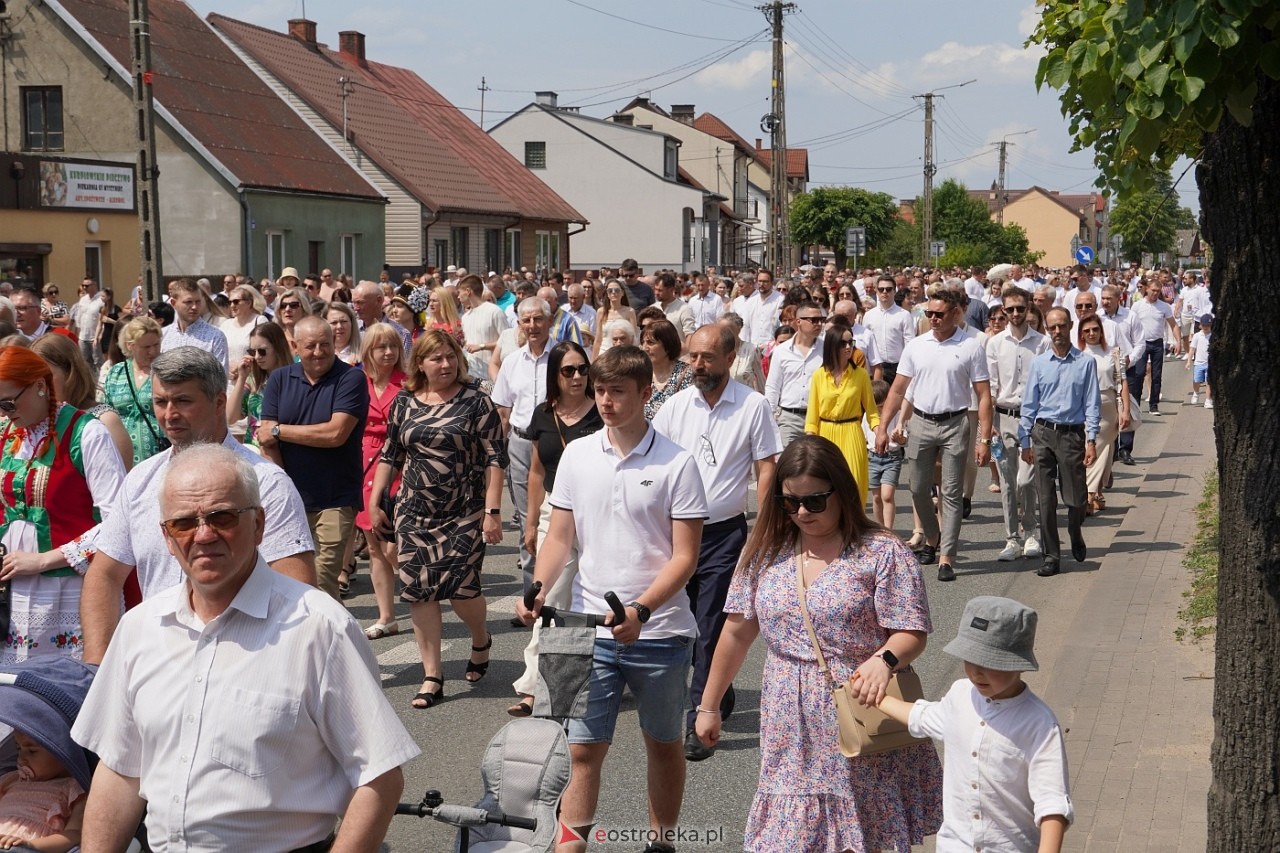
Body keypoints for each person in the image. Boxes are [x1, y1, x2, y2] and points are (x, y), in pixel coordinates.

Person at [72, 443, 419, 853]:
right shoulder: (139, 628)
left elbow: (380, 778)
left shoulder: (319, 628)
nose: (203, 535)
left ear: (259, 524)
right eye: (183, 523)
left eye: (222, 517)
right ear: (166, 537)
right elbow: (120, 773)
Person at [695, 435, 943, 852]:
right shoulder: (764, 553)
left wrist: (884, 660)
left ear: (842, 491)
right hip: (787, 721)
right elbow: (736, 632)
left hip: (860, 710)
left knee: (859, 835)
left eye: (814, 500)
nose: (802, 512)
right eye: (790, 503)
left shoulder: (882, 552)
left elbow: (911, 632)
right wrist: (709, 705)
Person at [516, 345, 707, 853]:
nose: (605, 401)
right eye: (599, 390)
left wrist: (643, 609)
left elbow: (685, 557)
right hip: (586, 628)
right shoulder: (578, 455)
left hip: (661, 632)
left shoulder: (678, 463)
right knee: (580, 749)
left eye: (617, 391)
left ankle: (661, 842)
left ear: (646, 394)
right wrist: (537, 587)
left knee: (663, 745)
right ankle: (570, 847)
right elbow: (560, 537)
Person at [80, 346, 316, 662]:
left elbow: (296, 590)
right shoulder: (141, 481)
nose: (169, 414)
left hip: (244, 659)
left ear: (220, 402)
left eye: (183, 401)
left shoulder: (267, 483)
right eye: (161, 402)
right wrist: (97, 665)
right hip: (158, 662)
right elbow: (105, 575)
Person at [652, 324, 781, 763]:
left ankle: (698, 717)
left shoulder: (753, 406)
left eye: (707, 357)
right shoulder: (673, 407)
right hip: (674, 533)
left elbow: (767, 468)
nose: (697, 366)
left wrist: (764, 531)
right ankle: (713, 690)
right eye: (692, 357)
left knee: (711, 627)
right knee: (673, 623)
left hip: (725, 534)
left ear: (731, 357)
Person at [368, 330, 507, 709]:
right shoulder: (405, 402)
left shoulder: (477, 402)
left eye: (450, 357)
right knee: (418, 591)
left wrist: (493, 512)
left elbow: (496, 458)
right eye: (436, 358)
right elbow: (390, 453)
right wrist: (377, 499)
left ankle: (480, 636)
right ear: (420, 364)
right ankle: (433, 674)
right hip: (414, 510)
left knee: (463, 590)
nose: (444, 364)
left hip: (464, 509)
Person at [873, 596, 1073, 853]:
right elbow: (922, 717)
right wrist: (877, 697)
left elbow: (1052, 803)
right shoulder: (960, 694)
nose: (977, 672)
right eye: (970, 660)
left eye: (990, 663)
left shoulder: (1039, 723)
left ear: (1018, 664)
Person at [0, 346, 125, 665]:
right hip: (11, 592)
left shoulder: (88, 433)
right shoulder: (7, 434)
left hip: (69, 589)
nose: (5, 412)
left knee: (68, 684)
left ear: (40, 386)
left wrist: (43, 560)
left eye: (8, 402)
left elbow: (120, 521)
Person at [509, 341, 603, 717]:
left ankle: (607, 677)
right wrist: (530, 523)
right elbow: (535, 471)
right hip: (554, 513)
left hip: (598, 515)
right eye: (569, 370)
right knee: (545, 598)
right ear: (555, 376)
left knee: (599, 598)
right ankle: (533, 687)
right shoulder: (543, 414)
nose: (578, 376)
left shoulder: (603, 412)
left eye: (583, 369)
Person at [876, 289, 992, 581]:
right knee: (917, 488)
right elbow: (899, 389)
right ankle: (931, 536)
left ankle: (946, 558)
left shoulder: (971, 346)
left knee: (951, 493)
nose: (933, 319)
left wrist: (984, 438)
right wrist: (883, 427)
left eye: (939, 314)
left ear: (955, 313)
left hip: (955, 423)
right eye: (929, 313)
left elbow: (983, 395)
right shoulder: (917, 345)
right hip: (922, 423)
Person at [258, 316, 368, 600]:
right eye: (311, 346)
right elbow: (266, 440)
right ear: (295, 345)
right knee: (292, 578)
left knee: (321, 577)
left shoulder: (351, 378)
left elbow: (335, 434)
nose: (319, 352)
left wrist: (281, 430)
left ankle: (332, 639)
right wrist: (282, 488)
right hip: (291, 498)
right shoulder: (280, 379)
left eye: (325, 345)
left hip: (337, 496)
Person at [1018, 307, 1101, 577]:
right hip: (1042, 433)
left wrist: (1091, 439)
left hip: (1071, 434)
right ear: (1046, 329)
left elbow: (1092, 403)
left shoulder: (1085, 363)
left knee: (1076, 498)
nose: (1057, 332)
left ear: (1069, 327)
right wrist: (1025, 439)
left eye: (1062, 326)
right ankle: (1051, 555)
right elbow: (1029, 404)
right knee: (1045, 498)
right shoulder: (1039, 364)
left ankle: (1075, 530)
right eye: (1052, 327)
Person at [491, 296, 554, 599]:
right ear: (518, 324)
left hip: (556, 446)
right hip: (520, 444)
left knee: (558, 516)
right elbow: (503, 412)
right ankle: (532, 596)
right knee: (526, 518)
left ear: (549, 321)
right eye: (526, 320)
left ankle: (557, 594)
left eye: (538, 319)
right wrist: (496, 455)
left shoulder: (565, 358)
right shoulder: (512, 362)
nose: (532, 326)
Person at [986, 285, 1050, 563]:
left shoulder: (1042, 343)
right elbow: (989, 387)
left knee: (1026, 480)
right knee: (1007, 481)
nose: (1014, 313)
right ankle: (1012, 537)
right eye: (1009, 309)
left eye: (1020, 308)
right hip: (1003, 419)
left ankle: (1032, 532)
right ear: (1003, 310)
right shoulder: (995, 343)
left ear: (1028, 309)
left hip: (1032, 421)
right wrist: (987, 426)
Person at [357, 324, 407, 636]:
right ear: (368, 351)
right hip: (363, 467)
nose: (388, 352)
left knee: (392, 547)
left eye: (392, 346)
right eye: (380, 347)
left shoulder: (409, 382)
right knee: (375, 548)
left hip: (399, 465)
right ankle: (387, 617)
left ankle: (424, 592)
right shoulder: (356, 381)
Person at [29, 334, 134, 471]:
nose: (38, 384)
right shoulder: (32, 422)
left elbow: (120, 485)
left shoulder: (104, 420)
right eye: (31, 376)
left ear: (70, 372)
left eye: (46, 375)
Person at [804, 323, 880, 506]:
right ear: (832, 345)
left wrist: (880, 432)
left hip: (852, 432)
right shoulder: (819, 376)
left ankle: (854, 530)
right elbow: (812, 416)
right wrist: (810, 442)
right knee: (827, 486)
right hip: (826, 434)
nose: (848, 347)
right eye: (843, 343)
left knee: (852, 483)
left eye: (851, 342)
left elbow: (872, 412)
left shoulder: (861, 375)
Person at [0, 726, 86, 852]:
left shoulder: (74, 788)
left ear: (63, 753)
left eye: (31, 751)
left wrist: (31, 846)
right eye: (19, 748)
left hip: (29, 846)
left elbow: (75, 834)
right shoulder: (11, 779)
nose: (21, 758)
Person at [1078, 313, 1130, 515]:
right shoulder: (1076, 353)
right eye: (1087, 330)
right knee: (1093, 448)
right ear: (1081, 334)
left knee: (1100, 446)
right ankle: (1096, 491)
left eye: (1095, 329)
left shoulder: (1112, 353)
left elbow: (1122, 381)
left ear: (1101, 331)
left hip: (1107, 404)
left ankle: (1090, 494)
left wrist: (1125, 410)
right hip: (1083, 405)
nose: (1091, 334)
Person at [101, 316, 166, 466]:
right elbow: (107, 412)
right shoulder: (116, 372)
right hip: (122, 459)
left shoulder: (167, 370)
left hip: (160, 457)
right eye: (146, 347)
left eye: (156, 345)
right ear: (130, 346)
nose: (153, 351)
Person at [765, 301, 825, 446]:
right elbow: (773, 386)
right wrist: (770, 417)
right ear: (799, 322)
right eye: (814, 320)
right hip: (788, 418)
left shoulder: (827, 349)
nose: (819, 324)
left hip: (818, 418)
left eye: (821, 320)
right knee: (786, 464)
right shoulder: (781, 351)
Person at [226, 321, 291, 452]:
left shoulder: (293, 378)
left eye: (262, 351)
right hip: (255, 451)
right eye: (252, 351)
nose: (256, 357)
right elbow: (230, 417)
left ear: (278, 347)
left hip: (285, 450)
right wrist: (242, 378)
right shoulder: (253, 380)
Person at [1128, 280, 1180, 417]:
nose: (1155, 293)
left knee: (1157, 375)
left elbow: (1173, 325)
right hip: (1141, 343)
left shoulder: (1164, 307)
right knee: (1139, 374)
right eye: (1153, 290)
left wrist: (1178, 341)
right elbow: (1130, 325)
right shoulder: (1137, 306)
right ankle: (1136, 404)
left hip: (1157, 343)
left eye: (1158, 291)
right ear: (1147, 289)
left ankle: (1154, 404)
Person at [160, 279, 229, 372]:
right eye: (188, 302)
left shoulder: (215, 337)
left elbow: (222, 379)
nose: (194, 307)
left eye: (198, 302)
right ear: (174, 303)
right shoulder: (163, 335)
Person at [865, 378, 907, 529]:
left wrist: (900, 439)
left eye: (884, 406)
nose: (882, 410)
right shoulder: (868, 417)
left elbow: (904, 440)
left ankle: (889, 530)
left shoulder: (897, 414)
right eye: (878, 407)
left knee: (887, 496)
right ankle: (880, 528)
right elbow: (864, 437)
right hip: (873, 457)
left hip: (892, 456)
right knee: (876, 497)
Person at [863, 275, 917, 386]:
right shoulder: (868, 315)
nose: (884, 292)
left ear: (894, 291)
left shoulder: (904, 315)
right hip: (876, 367)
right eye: (881, 289)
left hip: (897, 367)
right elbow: (865, 344)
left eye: (888, 289)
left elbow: (909, 343)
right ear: (876, 291)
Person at [641, 319, 692, 420]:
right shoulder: (640, 375)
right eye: (643, 342)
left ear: (668, 345)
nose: (645, 348)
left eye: (651, 343)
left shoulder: (687, 375)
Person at [217, 284, 267, 367]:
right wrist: (228, 368)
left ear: (248, 303)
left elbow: (264, 351)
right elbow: (218, 353)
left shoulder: (259, 321)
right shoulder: (226, 324)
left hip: (251, 376)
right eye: (230, 302)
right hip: (228, 376)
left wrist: (241, 367)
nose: (232, 305)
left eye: (236, 302)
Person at [1187, 314, 1213, 409]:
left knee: (1208, 382)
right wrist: (1189, 361)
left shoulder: (1213, 336)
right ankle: (1196, 393)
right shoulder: (1197, 336)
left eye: (1208, 325)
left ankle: (1207, 400)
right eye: (1204, 325)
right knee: (1196, 380)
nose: (1206, 327)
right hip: (1198, 363)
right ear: (1200, 325)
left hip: (1209, 363)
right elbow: (1192, 349)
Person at [327, 300, 362, 366]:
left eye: (343, 321)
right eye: (334, 322)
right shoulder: (321, 357)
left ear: (352, 323)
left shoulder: (366, 354)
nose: (339, 326)